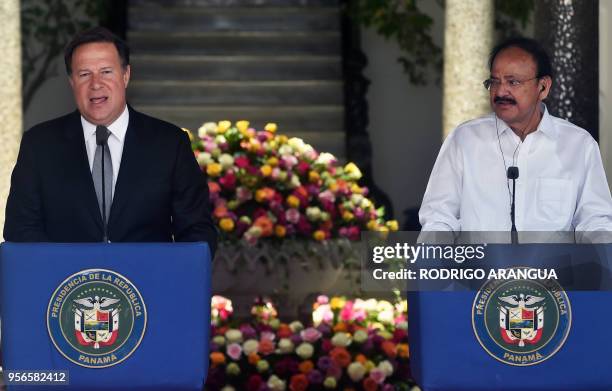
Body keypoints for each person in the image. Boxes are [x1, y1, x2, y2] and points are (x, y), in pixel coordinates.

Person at [4, 27, 217, 253]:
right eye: (84, 74)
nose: (96, 84)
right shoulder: (39, 145)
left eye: (106, 72)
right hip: (68, 285)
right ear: (71, 82)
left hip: (147, 283)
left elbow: (197, 230)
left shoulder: (170, 143)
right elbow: (21, 229)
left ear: (125, 75)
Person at [419, 37, 612, 238]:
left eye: (513, 82)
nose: (501, 91)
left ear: (543, 87)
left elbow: (595, 222)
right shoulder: (465, 140)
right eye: (494, 82)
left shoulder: (578, 145)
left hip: (553, 270)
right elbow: (438, 220)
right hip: (480, 269)